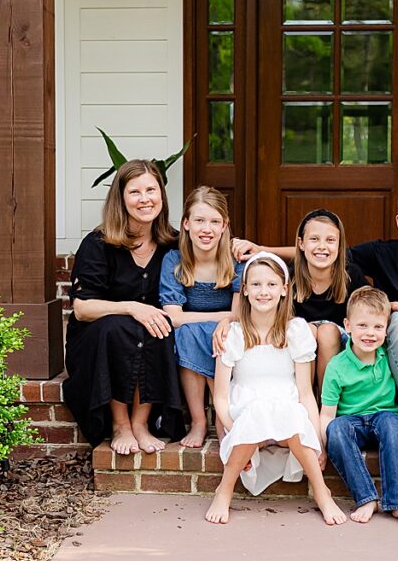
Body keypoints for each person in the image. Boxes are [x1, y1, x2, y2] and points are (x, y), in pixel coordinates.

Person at [233, 183, 398, 457]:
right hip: (367, 344)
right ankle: (333, 416)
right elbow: (319, 252)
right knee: (336, 329)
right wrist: (263, 250)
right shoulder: (380, 254)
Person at [205, 252, 347, 526]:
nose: (263, 292)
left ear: (284, 290)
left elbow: (305, 392)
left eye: (271, 285)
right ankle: (224, 491)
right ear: (244, 290)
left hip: (286, 413)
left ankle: (322, 492)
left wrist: (318, 442)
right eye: (256, 285)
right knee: (258, 412)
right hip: (243, 412)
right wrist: (233, 428)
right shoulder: (233, 334)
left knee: (287, 412)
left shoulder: (296, 331)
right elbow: (220, 396)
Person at [63, 159, 185, 456]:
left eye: (151, 190)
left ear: (161, 196)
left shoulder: (174, 245)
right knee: (117, 326)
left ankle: (141, 423)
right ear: (121, 198)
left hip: (150, 343)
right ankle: (120, 424)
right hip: (98, 344)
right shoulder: (98, 243)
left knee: (157, 324)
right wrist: (131, 307)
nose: (145, 199)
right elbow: (82, 309)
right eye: (135, 192)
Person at [320, 286, 398, 529]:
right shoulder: (337, 366)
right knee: (335, 429)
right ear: (347, 325)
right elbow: (327, 414)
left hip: (384, 417)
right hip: (351, 421)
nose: (370, 334)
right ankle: (366, 499)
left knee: (393, 426)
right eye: (362, 325)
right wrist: (322, 446)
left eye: (378, 327)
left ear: (386, 330)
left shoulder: (389, 355)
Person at [159, 186, 242, 448]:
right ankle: (198, 420)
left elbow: (241, 316)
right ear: (185, 224)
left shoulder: (235, 259)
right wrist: (222, 318)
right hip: (192, 333)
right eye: (199, 220)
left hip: (231, 333)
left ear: (224, 225)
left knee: (213, 333)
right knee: (187, 333)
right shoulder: (174, 260)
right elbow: (173, 317)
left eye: (215, 221)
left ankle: (221, 414)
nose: (207, 229)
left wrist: (225, 321)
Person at [291, 209, 367, 396]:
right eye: (314, 239)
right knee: (305, 329)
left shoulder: (351, 275)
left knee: (327, 332)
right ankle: (304, 403)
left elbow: (371, 307)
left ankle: (327, 401)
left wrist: (393, 305)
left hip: (339, 349)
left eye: (330, 240)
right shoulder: (289, 277)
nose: (322, 246)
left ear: (339, 244)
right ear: (301, 243)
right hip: (299, 346)